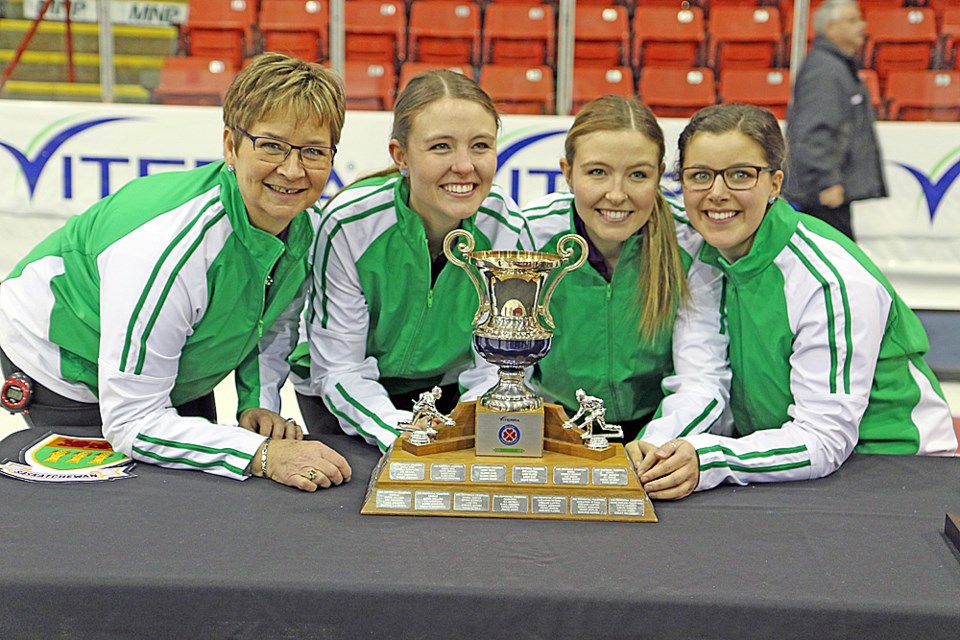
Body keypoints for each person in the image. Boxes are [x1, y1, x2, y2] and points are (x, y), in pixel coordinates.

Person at [0, 53, 352, 491]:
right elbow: (131, 422)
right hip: (69, 367)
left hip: (172, 366)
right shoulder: (168, 248)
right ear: (231, 146)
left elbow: (270, 322)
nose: (293, 169)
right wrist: (262, 453)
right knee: (122, 515)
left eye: (313, 151)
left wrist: (257, 402)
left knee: (199, 490)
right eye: (272, 145)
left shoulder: (306, 228)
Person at [628, 103, 957, 500]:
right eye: (700, 175)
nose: (717, 193)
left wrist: (711, 458)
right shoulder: (705, 255)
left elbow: (824, 436)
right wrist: (659, 445)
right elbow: (703, 380)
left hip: (898, 464)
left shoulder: (829, 278)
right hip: (796, 457)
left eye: (740, 175)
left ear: (775, 183)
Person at [291, 69, 526, 452]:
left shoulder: (508, 230)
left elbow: (496, 367)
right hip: (341, 395)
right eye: (441, 147)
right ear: (400, 155)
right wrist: (401, 432)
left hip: (446, 390)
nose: (465, 166)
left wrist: (465, 429)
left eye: (481, 146)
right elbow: (340, 368)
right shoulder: (350, 224)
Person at [520, 95, 724, 442]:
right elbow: (506, 367)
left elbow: (701, 378)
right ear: (567, 172)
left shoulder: (689, 244)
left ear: (659, 175)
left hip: (658, 429)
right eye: (597, 172)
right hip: (551, 428)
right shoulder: (530, 237)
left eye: (637, 175)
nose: (616, 194)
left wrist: (654, 445)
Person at [784, 0, 886, 240]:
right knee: (836, 260)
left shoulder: (834, 67)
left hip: (824, 189)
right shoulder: (826, 70)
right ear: (830, 28)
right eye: (852, 20)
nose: (862, 25)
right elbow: (813, 131)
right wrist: (826, 181)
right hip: (821, 192)